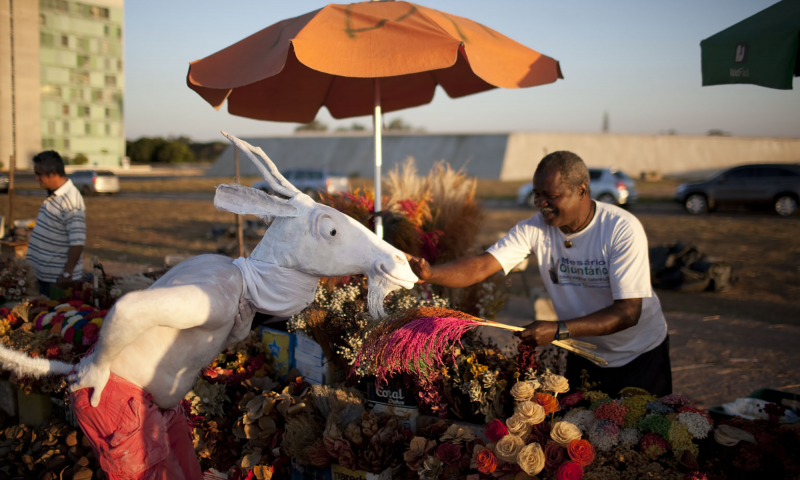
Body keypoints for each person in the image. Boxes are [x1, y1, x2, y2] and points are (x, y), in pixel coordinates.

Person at [408, 151, 671, 397]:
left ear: (582, 190)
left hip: (640, 355)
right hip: (582, 351)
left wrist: (559, 330)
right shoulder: (534, 228)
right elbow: (480, 265)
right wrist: (431, 273)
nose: (541, 204)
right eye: (536, 194)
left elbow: (628, 312)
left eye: (551, 195)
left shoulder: (620, 228)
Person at [26, 150, 86, 298]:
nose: (36, 178)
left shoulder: (70, 200)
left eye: (39, 174)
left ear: (53, 174)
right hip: (43, 275)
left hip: (56, 280)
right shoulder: (55, 194)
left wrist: (67, 274)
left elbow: (77, 242)